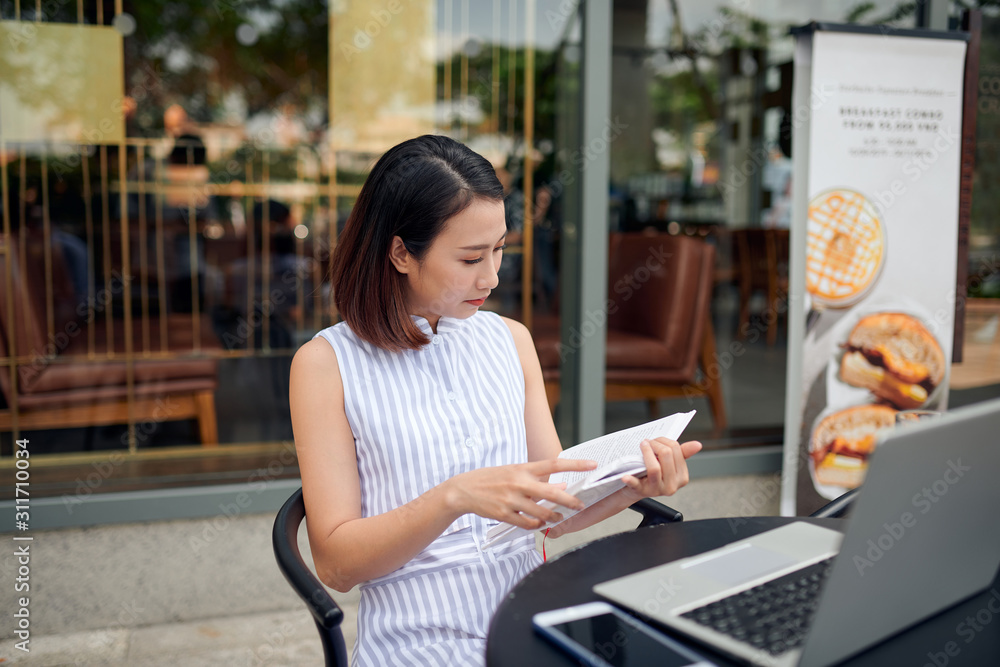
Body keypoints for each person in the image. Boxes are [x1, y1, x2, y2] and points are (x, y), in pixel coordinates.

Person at [289, 135, 701, 666]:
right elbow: (335, 566)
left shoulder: (509, 340)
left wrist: (631, 484)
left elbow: (552, 511)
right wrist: (450, 498)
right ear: (400, 253)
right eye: (469, 258)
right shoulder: (327, 365)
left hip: (531, 617)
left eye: (500, 248)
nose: (492, 276)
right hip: (420, 641)